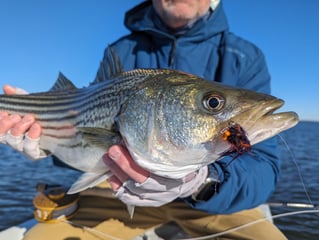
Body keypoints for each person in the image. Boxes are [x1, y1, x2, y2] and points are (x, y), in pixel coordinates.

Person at [0, 0, 288, 239]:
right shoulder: (123, 49)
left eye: (212, 103)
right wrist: (45, 139)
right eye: (212, 103)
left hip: (214, 202)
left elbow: (262, 167)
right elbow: (84, 133)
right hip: (114, 191)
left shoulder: (244, 57)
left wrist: (200, 183)